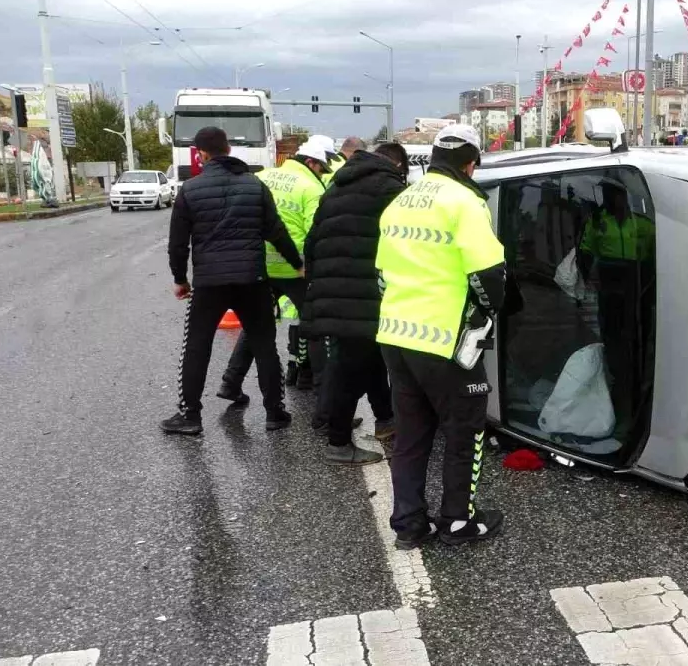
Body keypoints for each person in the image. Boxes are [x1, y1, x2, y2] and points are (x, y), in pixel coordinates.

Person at [375, 124, 506, 548]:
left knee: (411, 434)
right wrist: (488, 312)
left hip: (396, 334)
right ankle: (458, 521)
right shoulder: (465, 202)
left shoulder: (400, 201)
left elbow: (380, 277)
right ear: (471, 165)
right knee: (464, 429)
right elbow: (488, 274)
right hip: (448, 339)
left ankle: (409, 524)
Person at [162, 126, 303, 435]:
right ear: (228, 149)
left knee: (197, 346)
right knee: (264, 344)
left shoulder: (190, 189)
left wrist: (180, 279)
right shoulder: (254, 185)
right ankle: (275, 413)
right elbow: (275, 230)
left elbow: (177, 243)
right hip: (252, 279)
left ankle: (190, 416)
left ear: (201, 154)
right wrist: (297, 263)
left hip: (209, 283)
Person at [303, 143, 410, 465]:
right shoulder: (390, 190)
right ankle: (338, 442)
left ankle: (385, 419)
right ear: (397, 164)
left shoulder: (335, 187)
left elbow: (312, 242)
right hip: (365, 296)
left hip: (332, 291)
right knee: (352, 369)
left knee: (365, 359)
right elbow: (406, 241)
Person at [215, 137, 332, 404]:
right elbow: (318, 233)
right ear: (312, 163)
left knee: (255, 326)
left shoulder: (261, 177)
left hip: (257, 265)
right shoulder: (311, 188)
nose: (322, 173)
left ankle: (230, 383)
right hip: (297, 269)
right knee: (315, 327)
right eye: (322, 168)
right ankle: (325, 399)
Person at [576, 180, 655, 446]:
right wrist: (587, 279)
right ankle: (615, 363)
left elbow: (655, 252)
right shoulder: (599, 222)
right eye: (607, 195)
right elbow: (586, 251)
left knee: (638, 326)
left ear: (625, 196)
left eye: (616, 195)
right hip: (610, 278)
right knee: (611, 329)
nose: (612, 200)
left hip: (637, 277)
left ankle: (636, 358)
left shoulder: (643, 224)